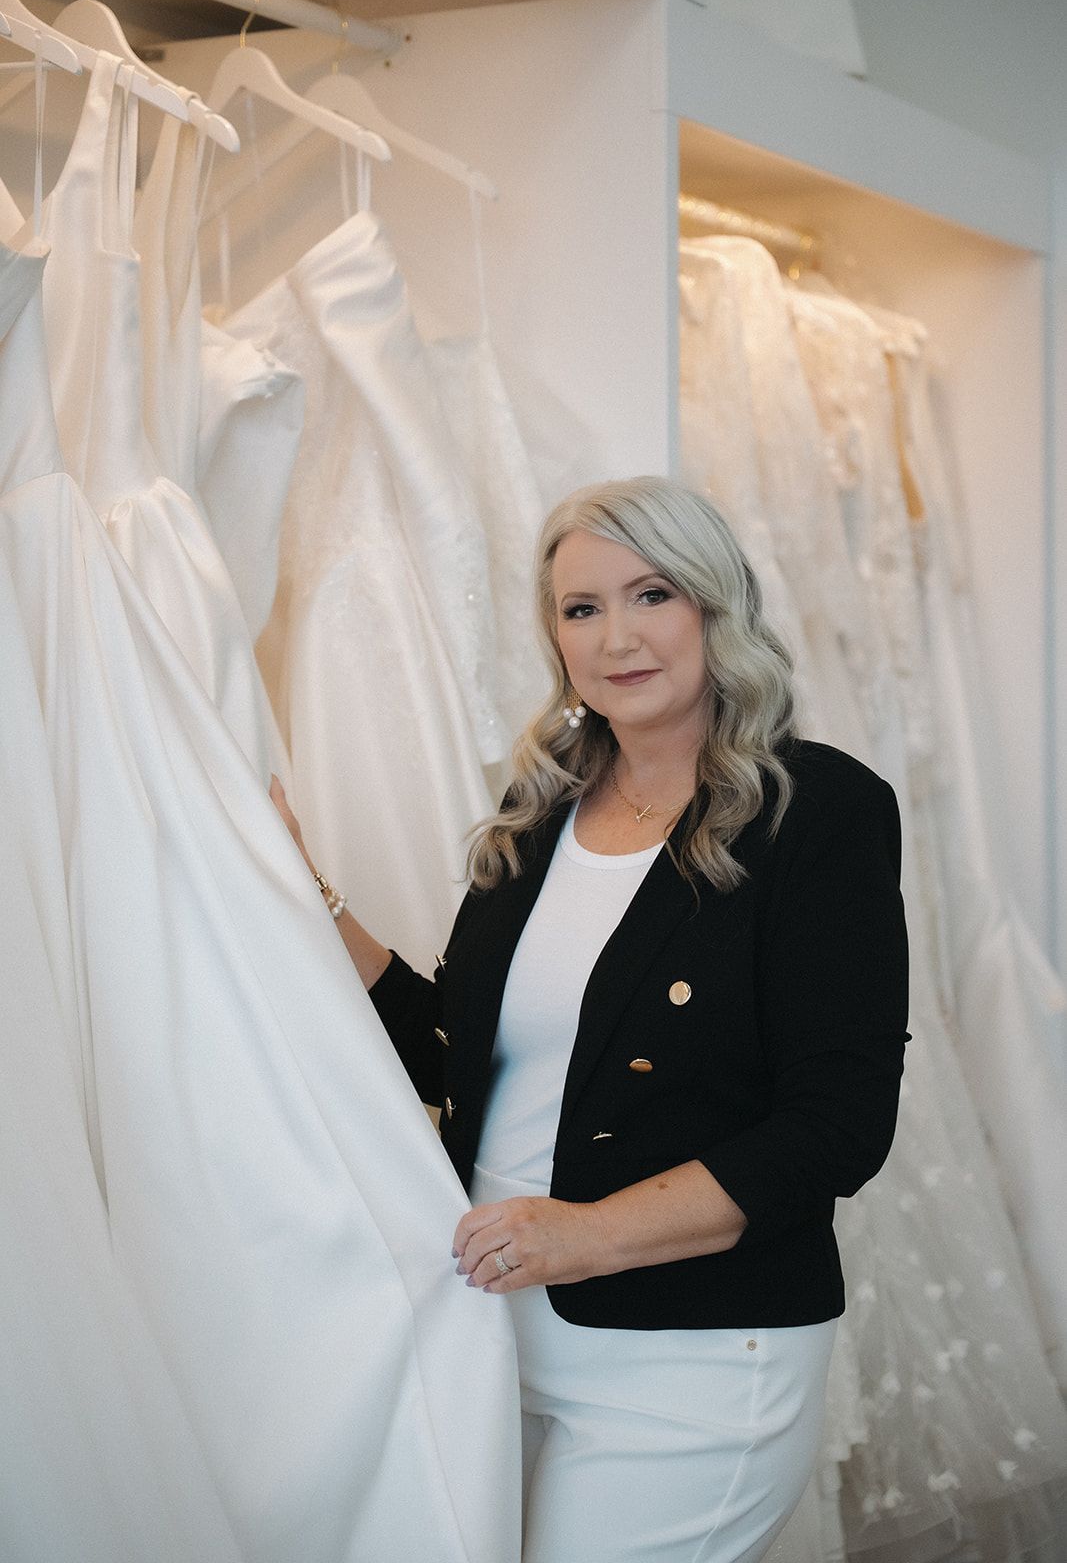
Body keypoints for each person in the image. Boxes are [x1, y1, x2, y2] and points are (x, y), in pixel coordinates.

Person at [272, 475, 909, 1563]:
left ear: (713, 605)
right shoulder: (538, 817)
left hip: (691, 1355)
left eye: (649, 594)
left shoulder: (816, 809)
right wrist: (302, 890)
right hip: (490, 1332)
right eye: (580, 608)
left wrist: (582, 1230)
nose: (616, 635)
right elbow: (453, 1055)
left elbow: (837, 1124)